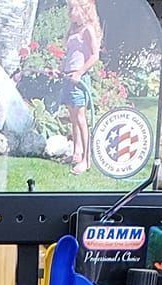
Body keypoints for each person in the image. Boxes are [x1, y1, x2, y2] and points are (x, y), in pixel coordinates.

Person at [62, 0, 102, 173]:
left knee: (80, 118)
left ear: (83, 10)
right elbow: (70, 54)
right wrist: (61, 68)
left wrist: (79, 73)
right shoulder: (73, 29)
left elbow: (95, 56)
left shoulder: (88, 30)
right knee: (72, 116)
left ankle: (86, 159)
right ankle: (76, 153)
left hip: (79, 80)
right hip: (68, 77)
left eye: (73, 9)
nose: (70, 12)